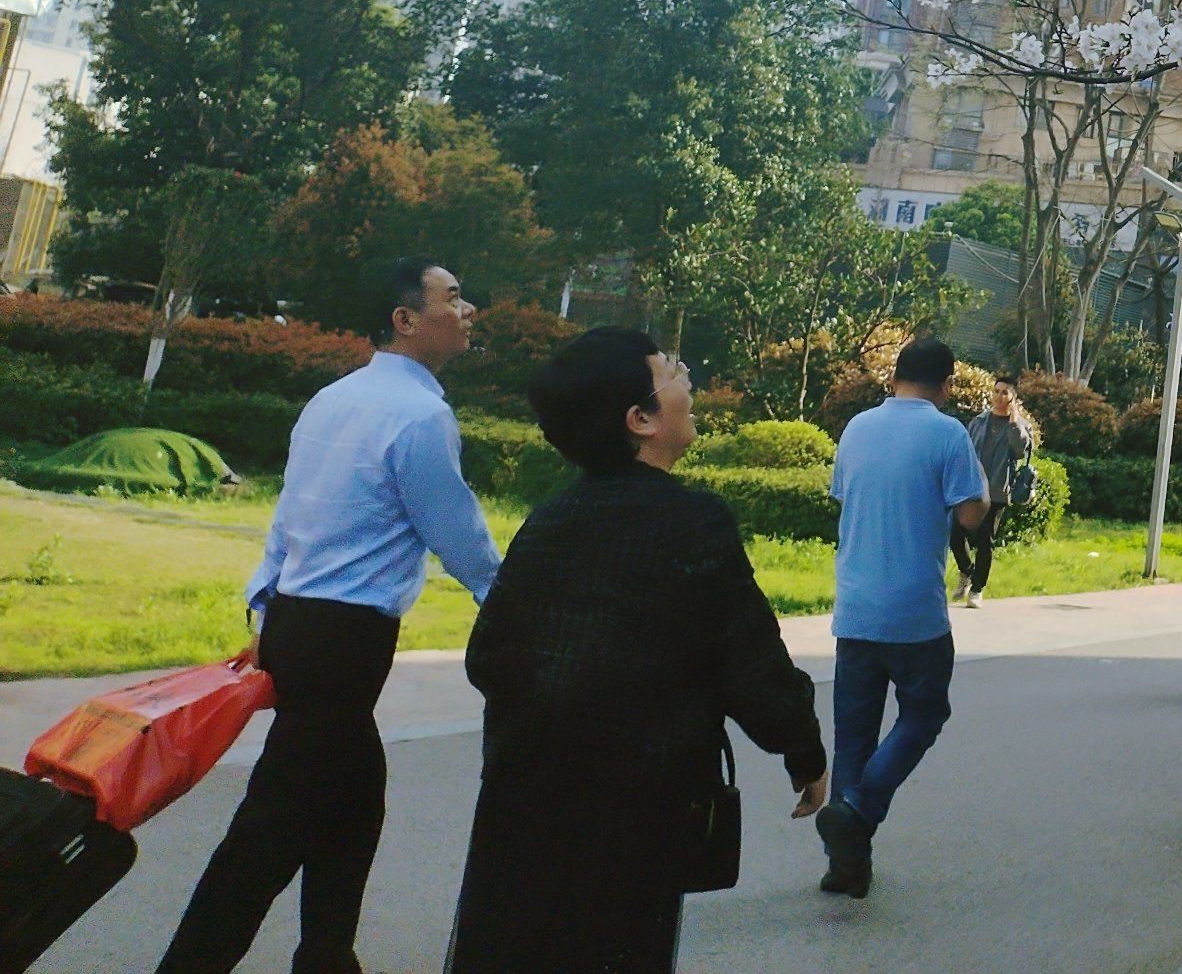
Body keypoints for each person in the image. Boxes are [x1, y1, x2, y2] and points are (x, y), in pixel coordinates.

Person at [159, 259, 502, 974]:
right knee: (268, 828)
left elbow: (290, 514)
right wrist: (512, 608)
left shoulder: (332, 399)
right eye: (453, 298)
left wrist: (265, 608)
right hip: (346, 640)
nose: (468, 310)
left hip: (298, 623)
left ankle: (326, 955)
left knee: (355, 796)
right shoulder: (420, 416)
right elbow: (459, 534)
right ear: (406, 320)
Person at [448, 330, 826, 974]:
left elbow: (487, 657)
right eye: (670, 372)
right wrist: (804, 751)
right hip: (637, 809)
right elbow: (751, 661)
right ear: (640, 420)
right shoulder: (693, 521)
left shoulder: (549, 520)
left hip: (523, 802)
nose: (687, 379)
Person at [814, 339, 988, 898]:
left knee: (852, 740)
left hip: (855, 611)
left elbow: (848, 499)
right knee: (925, 714)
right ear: (947, 385)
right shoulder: (948, 433)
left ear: (894, 378)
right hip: (916, 615)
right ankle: (858, 806)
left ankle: (846, 867)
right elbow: (970, 515)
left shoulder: (856, 429)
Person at [954, 376, 1035, 607]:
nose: (999, 396)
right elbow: (964, 450)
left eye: (1005, 392)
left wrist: (1014, 422)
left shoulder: (1022, 426)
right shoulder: (979, 421)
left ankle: (977, 589)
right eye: (996, 391)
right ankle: (967, 570)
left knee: (985, 540)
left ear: (1013, 398)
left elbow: (1020, 451)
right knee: (955, 533)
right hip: (971, 487)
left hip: (997, 490)